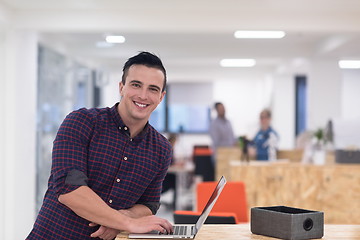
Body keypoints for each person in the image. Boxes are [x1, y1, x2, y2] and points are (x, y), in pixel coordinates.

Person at [27, 52, 173, 240]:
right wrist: (126, 223)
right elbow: (69, 190)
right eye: (136, 85)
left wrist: (119, 218)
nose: (143, 95)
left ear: (161, 97)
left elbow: (149, 204)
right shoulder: (81, 122)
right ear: (121, 87)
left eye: (153, 89)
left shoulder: (161, 149)